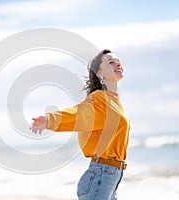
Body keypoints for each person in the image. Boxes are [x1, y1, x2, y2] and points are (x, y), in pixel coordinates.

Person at [30, 49, 130, 200]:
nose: (117, 63)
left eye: (118, 61)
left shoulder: (114, 101)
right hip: (101, 176)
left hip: (111, 175)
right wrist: (50, 120)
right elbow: (80, 114)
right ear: (100, 74)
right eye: (111, 62)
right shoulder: (100, 98)